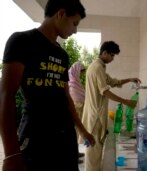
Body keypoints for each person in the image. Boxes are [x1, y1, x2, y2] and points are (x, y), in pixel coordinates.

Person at [0, 0, 95, 171]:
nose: (75, 30)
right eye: (74, 23)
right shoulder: (22, 41)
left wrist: (81, 130)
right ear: (61, 14)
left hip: (65, 137)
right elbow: (5, 96)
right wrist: (11, 154)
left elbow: (66, 97)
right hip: (36, 137)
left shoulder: (62, 55)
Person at [82, 40, 141, 171]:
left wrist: (130, 79)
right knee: (94, 151)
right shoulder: (97, 68)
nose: (113, 59)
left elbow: (113, 82)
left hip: (96, 113)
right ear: (104, 53)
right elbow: (105, 91)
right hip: (95, 115)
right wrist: (126, 102)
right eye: (112, 55)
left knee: (95, 150)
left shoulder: (99, 67)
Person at [68, 61, 86, 162]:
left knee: (76, 133)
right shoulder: (71, 83)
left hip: (78, 108)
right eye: (81, 72)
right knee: (73, 132)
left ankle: (76, 152)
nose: (82, 74)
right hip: (75, 109)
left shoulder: (76, 82)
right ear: (76, 71)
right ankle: (72, 156)